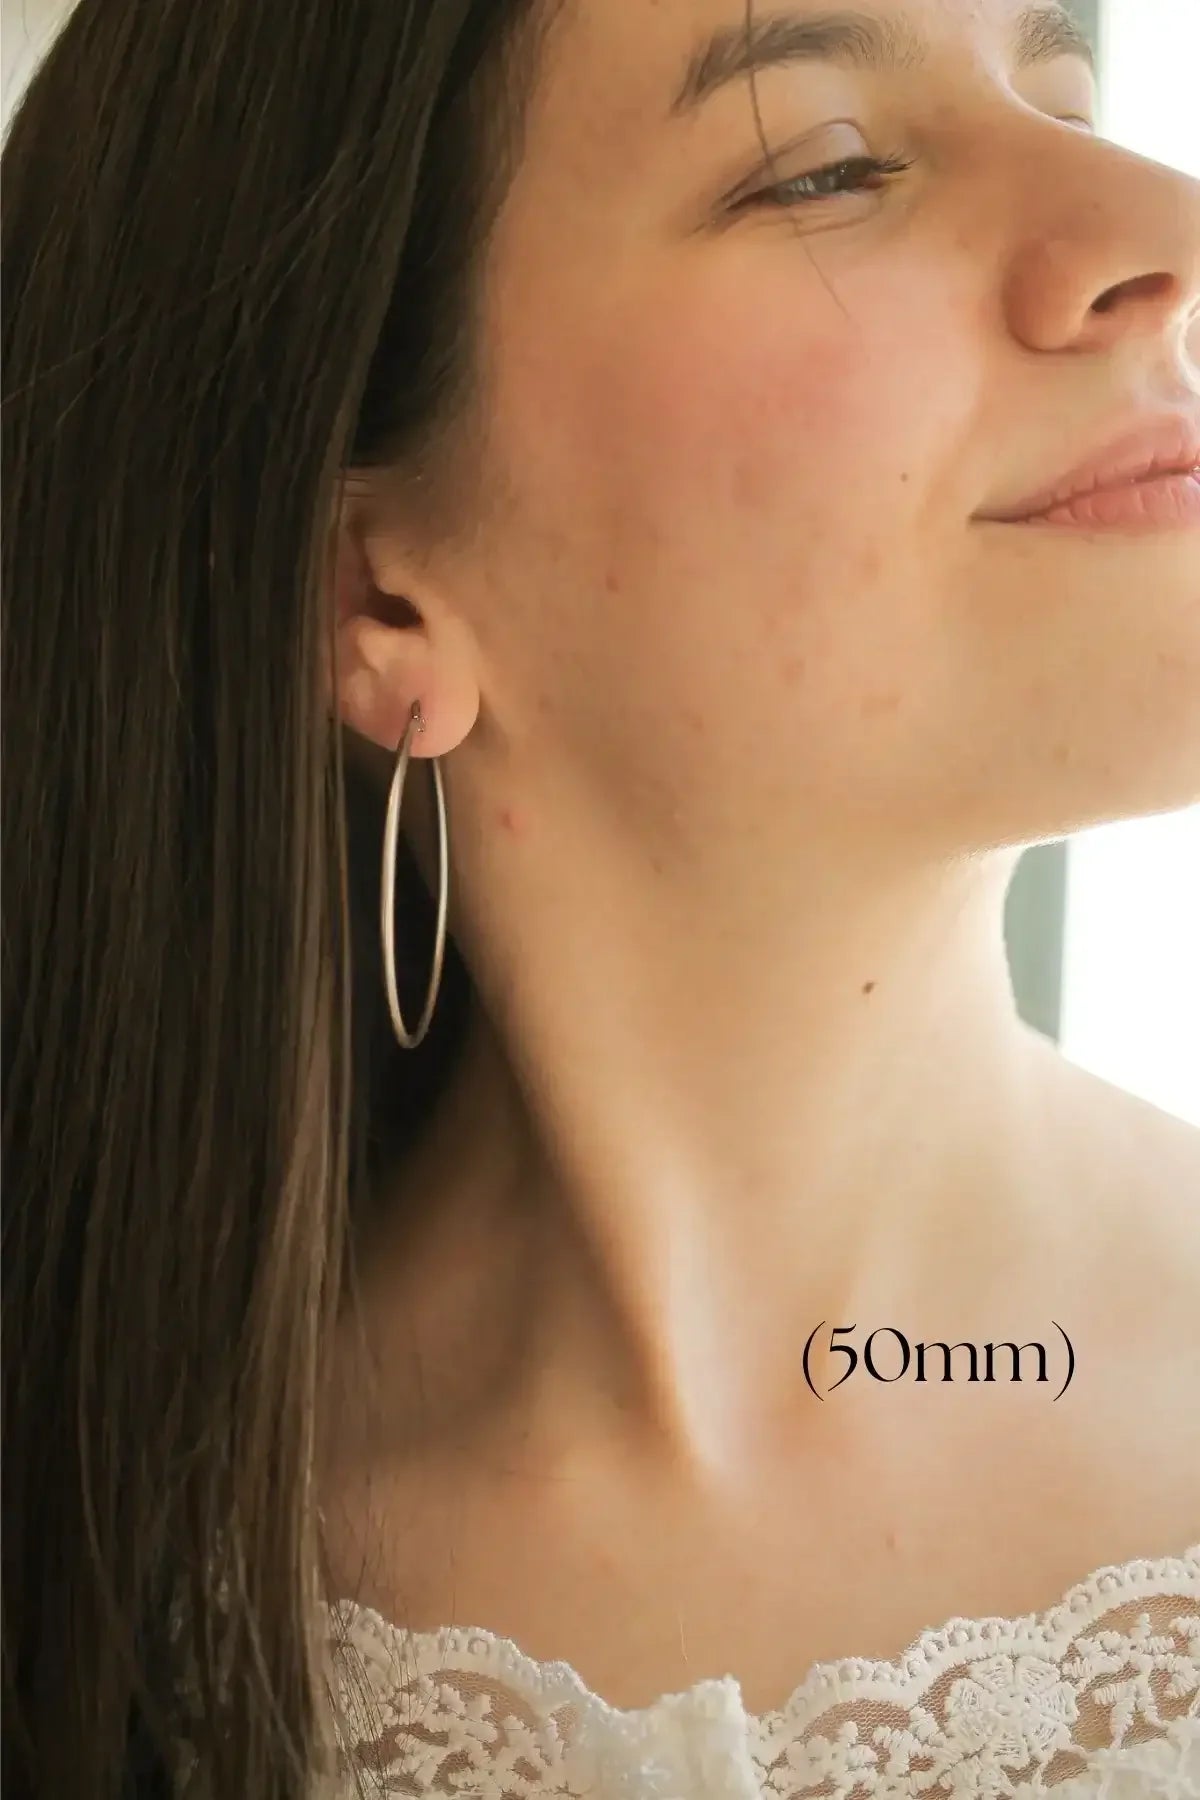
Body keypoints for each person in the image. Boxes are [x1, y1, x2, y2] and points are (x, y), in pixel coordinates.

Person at [3, 0, 1199, 1793]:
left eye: (1067, 91)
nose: (1164, 234)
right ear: (377, 601)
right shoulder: (84, 1609)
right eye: (836, 168)